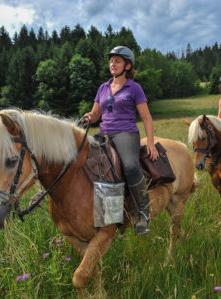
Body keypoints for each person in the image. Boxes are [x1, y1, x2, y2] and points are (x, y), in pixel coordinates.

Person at [84, 46, 158, 235]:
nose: (112, 64)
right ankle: (105, 213)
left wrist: (150, 142)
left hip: (126, 133)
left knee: (131, 166)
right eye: (111, 61)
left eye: (117, 61)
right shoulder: (103, 87)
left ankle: (143, 213)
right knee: (85, 162)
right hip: (103, 134)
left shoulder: (134, 88)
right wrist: (89, 117)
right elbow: (95, 114)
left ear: (127, 65)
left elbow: (147, 118)